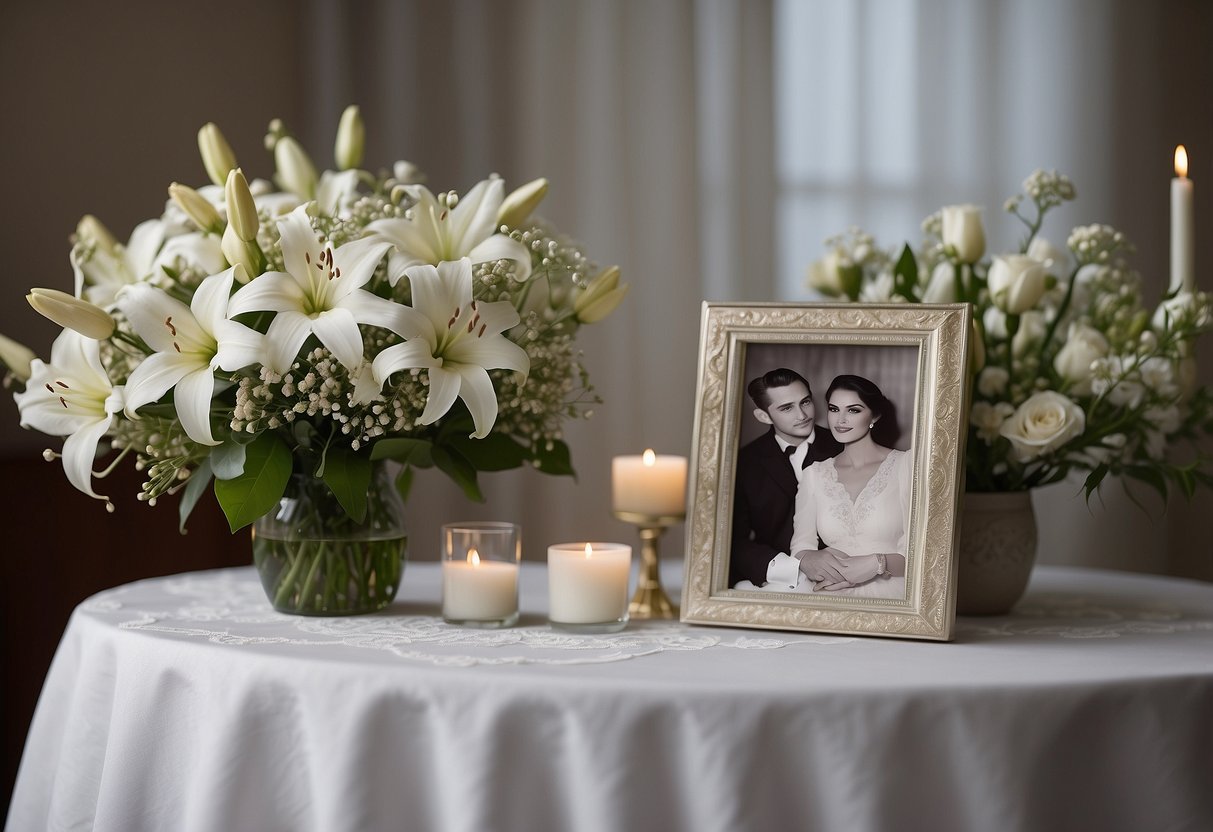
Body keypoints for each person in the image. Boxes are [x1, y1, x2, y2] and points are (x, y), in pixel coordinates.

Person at [789, 374, 912, 599]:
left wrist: (877, 563)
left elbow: (928, 552)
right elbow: (800, 548)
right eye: (834, 409)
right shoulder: (814, 474)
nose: (840, 419)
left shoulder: (907, 466)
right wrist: (810, 559)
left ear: (875, 415)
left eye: (853, 410)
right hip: (828, 592)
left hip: (893, 594)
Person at [730, 368, 843, 588]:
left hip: (843, 574)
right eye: (786, 408)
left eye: (806, 402)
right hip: (776, 579)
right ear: (764, 416)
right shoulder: (744, 462)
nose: (802, 415)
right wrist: (791, 569)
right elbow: (732, 540)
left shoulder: (843, 446)